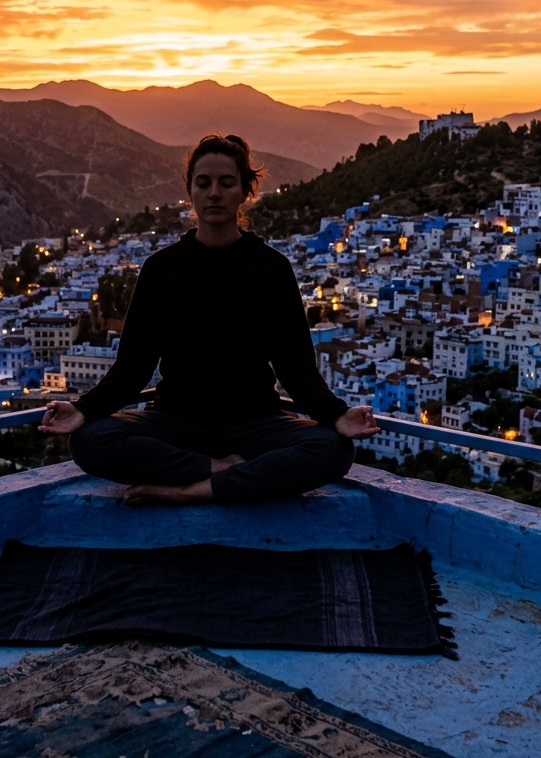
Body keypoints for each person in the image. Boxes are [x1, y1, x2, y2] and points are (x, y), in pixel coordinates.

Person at [39, 133, 379, 505]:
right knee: (89, 441)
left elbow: (296, 369)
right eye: (203, 183)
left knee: (334, 449)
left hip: (256, 422)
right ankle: (223, 471)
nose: (214, 192)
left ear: (245, 191)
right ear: (190, 192)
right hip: (174, 420)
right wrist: (83, 409)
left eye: (226, 182)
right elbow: (133, 368)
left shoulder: (271, 269)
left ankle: (193, 488)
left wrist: (338, 415)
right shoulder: (162, 270)